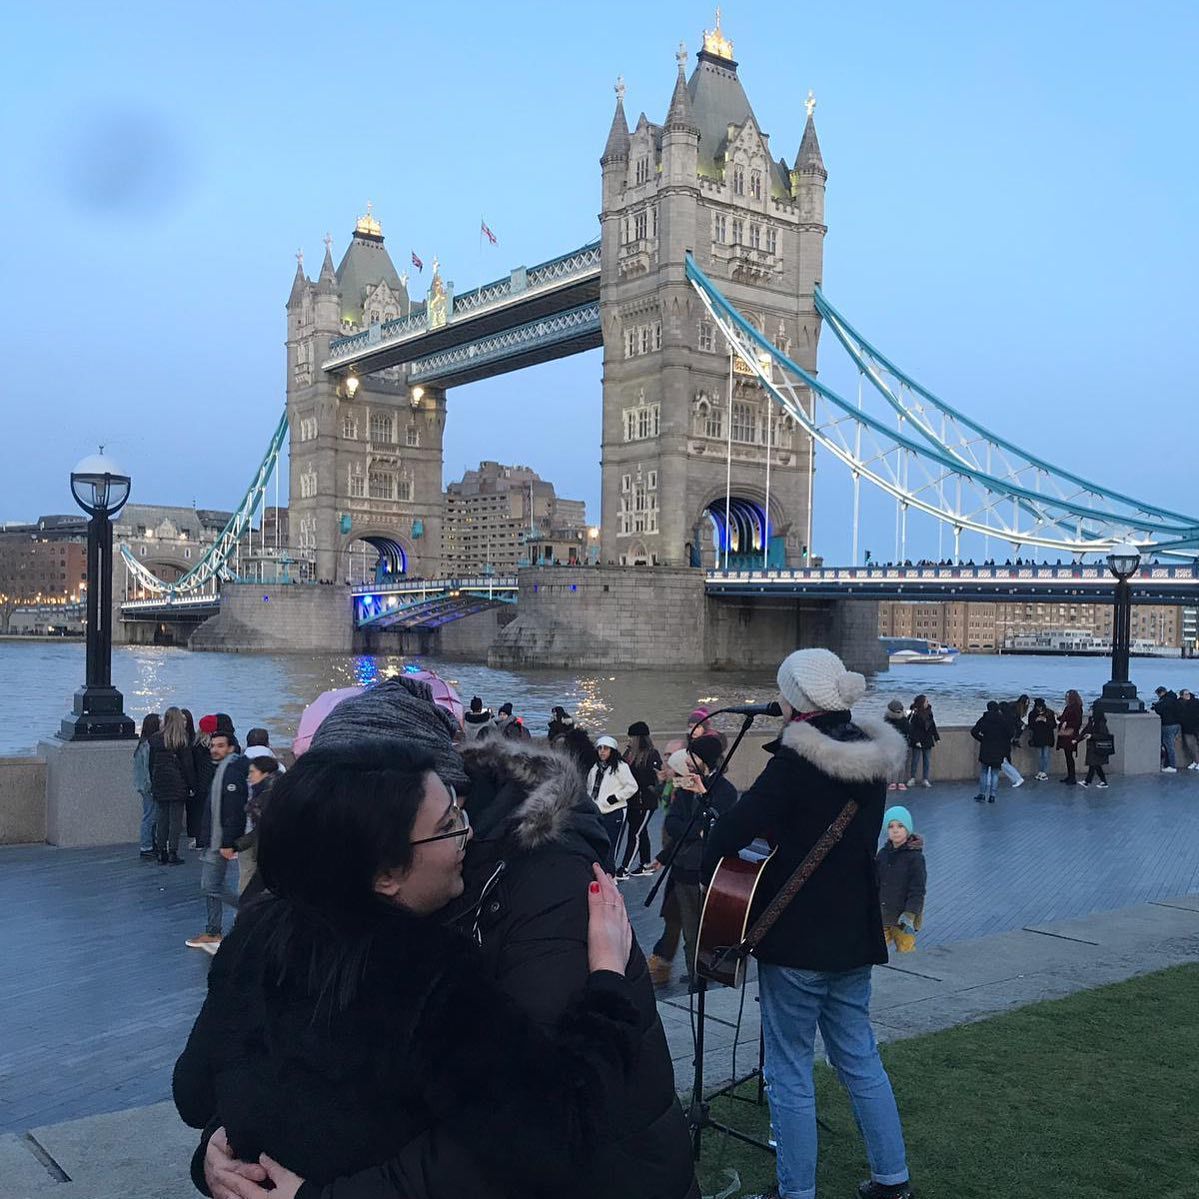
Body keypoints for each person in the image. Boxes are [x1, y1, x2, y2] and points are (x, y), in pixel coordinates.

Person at [192, 688, 696, 1199]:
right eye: (448, 823)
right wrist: (225, 1145)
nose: (464, 834)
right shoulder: (405, 959)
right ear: (377, 865)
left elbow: (543, 1129)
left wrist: (241, 1151)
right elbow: (228, 1078)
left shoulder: (541, 883)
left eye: (457, 812)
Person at [703, 648, 914, 1199]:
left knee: (789, 1068)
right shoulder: (871, 758)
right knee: (859, 1057)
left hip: (796, 936)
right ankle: (892, 1180)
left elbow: (732, 831)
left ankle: (796, 1191)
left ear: (795, 697)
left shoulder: (795, 761)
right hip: (854, 932)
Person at [651, 736, 734, 982]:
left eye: (692, 759)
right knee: (689, 930)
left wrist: (698, 820)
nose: (686, 763)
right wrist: (694, 831)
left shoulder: (724, 790)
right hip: (684, 871)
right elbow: (673, 824)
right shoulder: (685, 787)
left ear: (705, 761)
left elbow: (716, 827)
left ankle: (711, 971)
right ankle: (695, 978)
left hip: (710, 872)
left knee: (710, 927)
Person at [185, 723, 249, 954]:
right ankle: (213, 931)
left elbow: (233, 809)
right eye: (213, 745)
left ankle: (250, 911)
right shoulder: (224, 769)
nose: (214, 749)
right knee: (213, 886)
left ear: (231, 748)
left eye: (220, 746)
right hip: (214, 839)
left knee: (210, 885)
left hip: (219, 840)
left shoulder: (230, 773)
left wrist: (228, 843)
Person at [875, 806, 926, 954]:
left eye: (900, 826)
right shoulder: (883, 854)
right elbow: (876, 882)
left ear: (908, 829)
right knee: (874, 951)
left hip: (903, 919)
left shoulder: (915, 858)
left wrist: (910, 914)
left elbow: (918, 890)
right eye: (891, 826)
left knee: (906, 952)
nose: (895, 830)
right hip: (883, 914)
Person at [149, 706, 196, 865]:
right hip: (177, 783)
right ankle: (172, 852)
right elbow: (188, 766)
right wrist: (192, 785)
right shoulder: (182, 739)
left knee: (162, 818)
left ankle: (161, 851)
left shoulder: (155, 739)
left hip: (160, 782)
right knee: (175, 820)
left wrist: (153, 782)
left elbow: (151, 764)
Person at [586, 735, 639, 870]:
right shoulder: (595, 768)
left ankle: (611, 872)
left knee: (611, 844)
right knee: (597, 844)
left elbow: (632, 786)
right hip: (597, 812)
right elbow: (590, 788)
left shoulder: (620, 767)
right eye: (600, 748)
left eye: (606, 748)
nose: (602, 751)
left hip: (614, 811)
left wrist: (615, 797)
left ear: (612, 751)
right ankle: (600, 871)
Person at [618, 721, 662, 879]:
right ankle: (645, 863)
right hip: (633, 800)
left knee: (634, 834)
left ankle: (624, 868)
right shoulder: (628, 753)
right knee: (641, 832)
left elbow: (652, 777)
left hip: (645, 801)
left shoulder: (651, 754)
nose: (629, 740)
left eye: (631, 737)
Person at [236, 756, 280, 897]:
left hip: (264, 848)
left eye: (252, 772)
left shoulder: (266, 796)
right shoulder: (263, 790)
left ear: (265, 773)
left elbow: (263, 828)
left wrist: (239, 843)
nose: (249, 776)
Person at [133, 713, 161, 861]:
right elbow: (147, 768)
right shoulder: (148, 746)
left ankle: (149, 844)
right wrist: (152, 785)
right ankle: (146, 846)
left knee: (149, 814)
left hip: (143, 785)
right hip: (148, 786)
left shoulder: (142, 744)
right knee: (150, 816)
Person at [971, 701, 1010, 804]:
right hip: (998, 749)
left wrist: (982, 739)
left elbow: (974, 731)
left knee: (984, 771)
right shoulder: (1002, 720)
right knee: (995, 773)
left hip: (986, 748)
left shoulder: (985, 719)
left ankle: (982, 794)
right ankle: (992, 796)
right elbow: (1010, 733)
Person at [905, 694, 938, 788]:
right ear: (921, 703)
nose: (928, 703)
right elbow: (912, 729)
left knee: (926, 760)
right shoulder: (914, 714)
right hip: (918, 740)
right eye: (926, 701)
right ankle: (912, 778)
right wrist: (916, 740)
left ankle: (925, 779)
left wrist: (936, 737)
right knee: (915, 760)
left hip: (927, 739)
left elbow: (932, 725)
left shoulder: (929, 712)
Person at [997, 695, 1028, 789]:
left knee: (1002, 761)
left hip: (1003, 742)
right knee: (1004, 760)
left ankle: (1017, 778)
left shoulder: (1007, 715)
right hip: (1006, 740)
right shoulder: (1014, 710)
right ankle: (1016, 778)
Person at [1078, 705, 1113, 788]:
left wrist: (1092, 736)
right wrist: (1077, 739)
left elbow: (1104, 735)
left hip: (1097, 747)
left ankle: (1088, 781)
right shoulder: (1093, 721)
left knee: (1094, 764)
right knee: (1095, 765)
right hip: (1094, 747)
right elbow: (1085, 731)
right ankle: (1101, 781)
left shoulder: (1101, 723)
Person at [1057, 690, 1084, 785]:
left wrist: (1066, 723)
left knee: (1069, 756)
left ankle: (1072, 777)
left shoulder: (1076, 708)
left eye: (1067, 697)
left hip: (1071, 736)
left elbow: (1078, 722)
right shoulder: (1070, 707)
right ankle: (1070, 776)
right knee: (1068, 756)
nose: (1066, 698)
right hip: (1068, 736)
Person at [1152, 686, 1182, 772]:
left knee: (1169, 746)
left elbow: (1159, 709)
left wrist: (1155, 706)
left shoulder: (1165, 701)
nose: (1158, 696)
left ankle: (1172, 766)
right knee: (1168, 745)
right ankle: (1167, 764)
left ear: (1161, 693)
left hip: (1168, 724)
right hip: (1176, 724)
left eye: (1158, 694)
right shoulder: (1173, 699)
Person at [1027, 697, 1058, 780]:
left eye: (1040, 707)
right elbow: (1030, 726)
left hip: (1047, 737)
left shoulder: (1049, 713)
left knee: (1046, 755)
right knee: (1040, 756)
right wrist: (1036, 720)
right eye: (1038, 707)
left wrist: (1045, 720)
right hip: (1038, 737)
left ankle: (1044, 772)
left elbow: (1054, 725)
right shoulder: (1032, 714)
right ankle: (1040, 771)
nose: (1039, 708)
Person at [883, 701, 910, 791]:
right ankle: (897, 782)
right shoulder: (902, 719)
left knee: (898, 764)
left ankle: (896, 782)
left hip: (897, 744)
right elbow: (908, 730)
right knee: (898, 764)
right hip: (897, 744)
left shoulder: (888, 719)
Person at [1179, 689, 1199, 770]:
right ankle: (1196, 761)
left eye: (1188, 694)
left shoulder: (1196, 702)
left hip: (1196, 726)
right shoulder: (1179, 703)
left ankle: (1197, 762)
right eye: (1186, 694)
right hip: (1187, 728)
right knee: (1190, 745)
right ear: (1181, 696)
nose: (1188, 695)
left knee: (1194, 745)